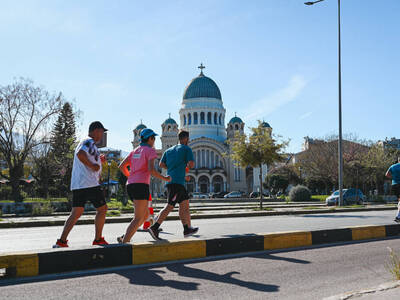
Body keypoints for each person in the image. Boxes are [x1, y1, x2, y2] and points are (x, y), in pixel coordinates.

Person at [53, 121, 109, 248]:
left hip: (80, 184)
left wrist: (98, 161)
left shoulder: (90, 144)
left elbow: (87, 157)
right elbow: (80, 154)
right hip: (89, 183)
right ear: (95, 130)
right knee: (102, 209)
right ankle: (98, 239)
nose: (102, 135)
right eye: (101, 132)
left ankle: (61, 241)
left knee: (76, 212)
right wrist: (93, 165)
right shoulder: (88, 141)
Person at [117, 128, 171, 243]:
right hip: (141, 186)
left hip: (131, 185)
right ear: (150, 139)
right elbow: (151, 170)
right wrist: (165, 178)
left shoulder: (135, 150)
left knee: (145, 215)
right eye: (154, 138)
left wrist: (131, 177)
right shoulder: (150, 150)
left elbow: (122, 166)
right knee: (138, 218)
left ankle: (125, 236)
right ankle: (124, 242)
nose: (154, 141)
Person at [148, 130, 198, 240]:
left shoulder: (169, 150)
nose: (188, 141)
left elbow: (161, 164)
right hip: (176, 184)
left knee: (184, 205)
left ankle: (186, 229)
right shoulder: (186, 149)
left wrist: (173, 169)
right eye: (188, 139)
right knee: (169, 206)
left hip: (175, 182)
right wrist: (187, 167)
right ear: (186, 139)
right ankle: (155, 227)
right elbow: (191, 164)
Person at [385, 157, 400, 223]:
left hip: (394, 185)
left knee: (399, 200)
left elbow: (387, 174)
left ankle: (398, 215)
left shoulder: (392, 166)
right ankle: (398, 216)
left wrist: (393, 178)